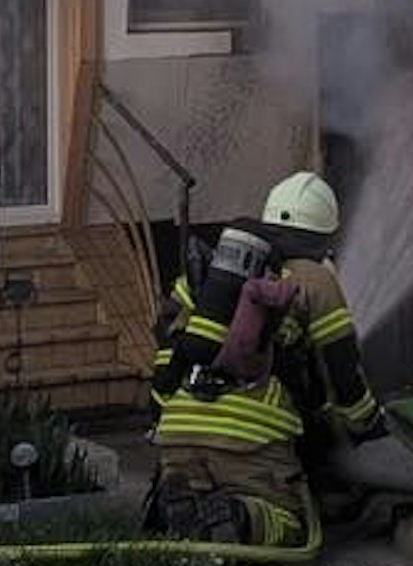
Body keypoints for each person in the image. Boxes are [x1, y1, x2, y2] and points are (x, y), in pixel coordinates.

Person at [143, 171, 385, 547]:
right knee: (289, 522)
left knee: (192, 502)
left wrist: (163, 418)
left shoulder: (210, 272)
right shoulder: (314, 280)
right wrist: (371, 427)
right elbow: (344, 375)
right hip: (252, 439)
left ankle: (179, 506)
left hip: (177, 430)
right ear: (324, 235)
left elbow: (169, 349)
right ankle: (239, 519)